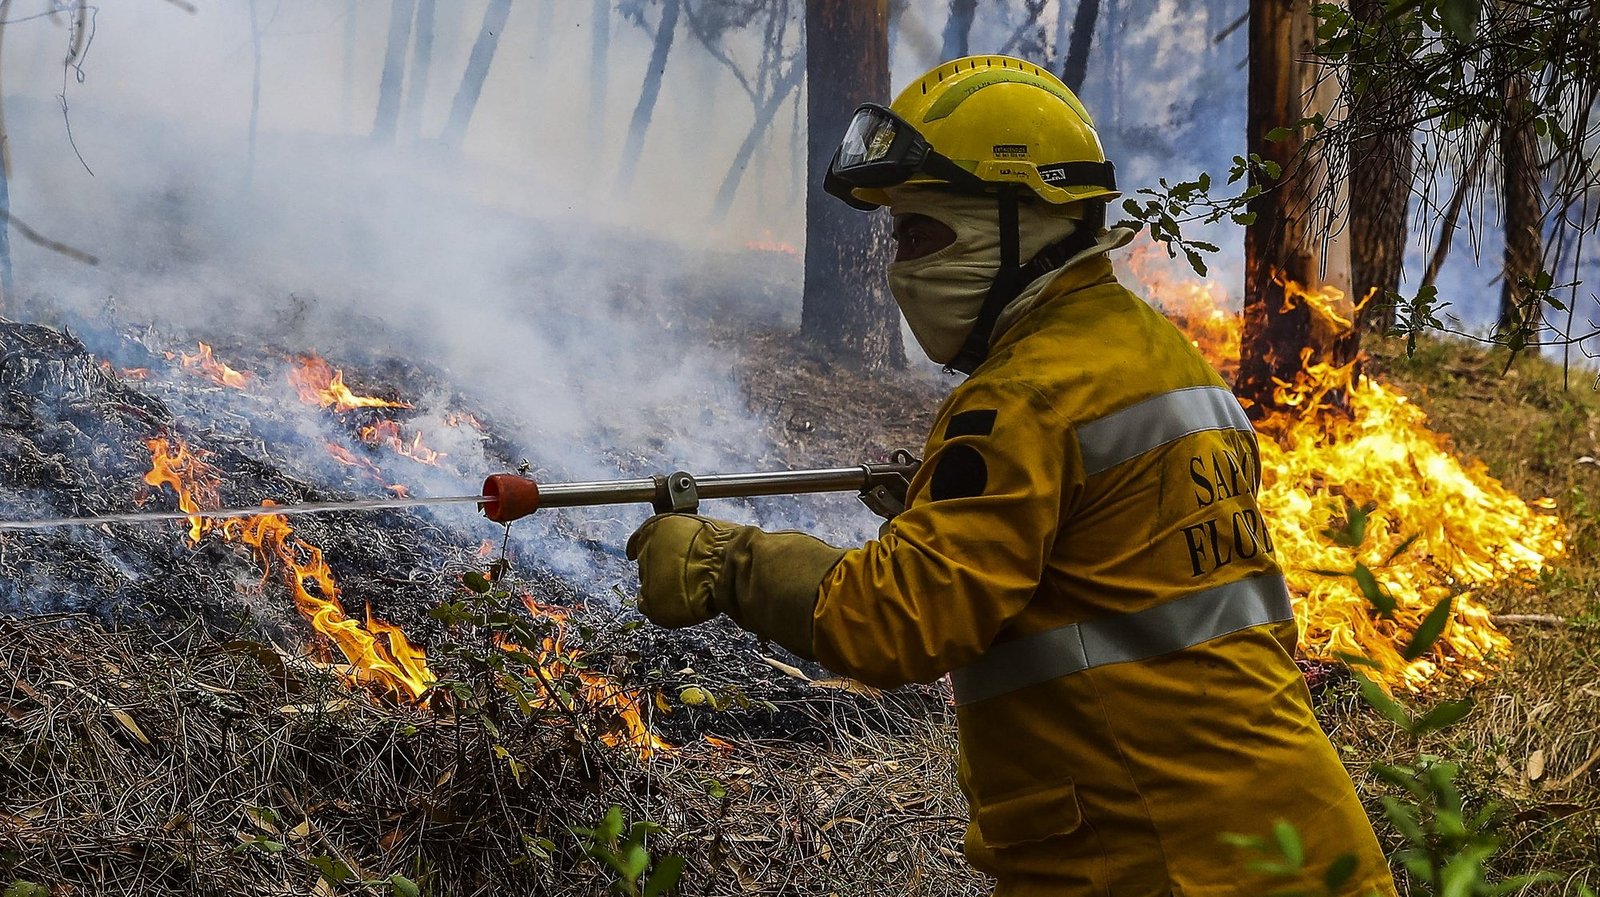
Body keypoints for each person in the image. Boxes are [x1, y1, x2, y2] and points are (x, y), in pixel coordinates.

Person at [628, 55, 1398, 897]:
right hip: (1304, 846)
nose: (901, 267)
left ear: (1016, 223)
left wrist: (722, 562)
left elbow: (893, 621)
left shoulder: (1025, 396)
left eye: (921, 234)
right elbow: (1119, 566)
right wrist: (949, 506)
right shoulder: (1166, 361)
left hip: (1168, 862)